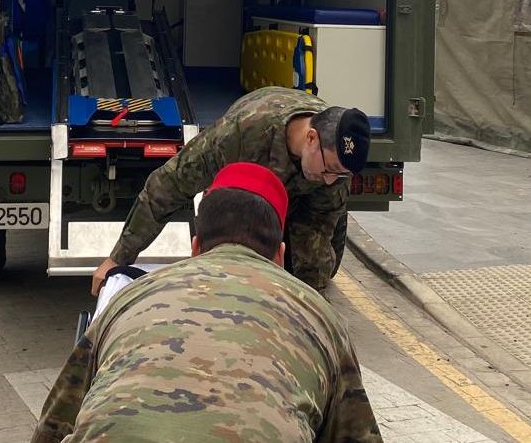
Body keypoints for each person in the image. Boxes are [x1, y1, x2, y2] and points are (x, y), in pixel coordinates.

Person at [34, 163, 382, 442]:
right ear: (279, 256)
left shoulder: (129, 298)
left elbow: (54, 424)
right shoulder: (319, 315)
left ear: (196, 247)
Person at [90, 85, 371, 294]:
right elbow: (167, 185)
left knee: (316, 270)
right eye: (330, 169)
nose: (332, 180)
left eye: (342, 174)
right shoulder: (241, 136)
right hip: (250, 177)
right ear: (311, 138)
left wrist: (310, 300)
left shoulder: (334, 168)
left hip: (303, 189)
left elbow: (323, 225)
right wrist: (117, 259)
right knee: (240, 262)